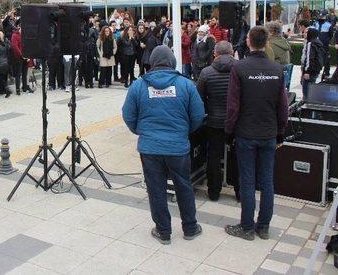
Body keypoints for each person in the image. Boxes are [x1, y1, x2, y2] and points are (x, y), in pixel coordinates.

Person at [123, 45, 205, 245]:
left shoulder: (138, 85)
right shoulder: (186, 85)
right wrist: (182, 132)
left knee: (156, 188)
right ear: (172, 61)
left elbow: (128, 116)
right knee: (183, 186)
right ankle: (190, 227)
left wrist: (142, 132)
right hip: (178, 147)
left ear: (152, 62)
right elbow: (198, 116)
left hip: (150, 147)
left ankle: (163, 231)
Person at [224, 26, 288, 241]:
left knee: (248, 180)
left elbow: (233, 106)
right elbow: (283, 107)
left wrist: (229, 130)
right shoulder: (277, 69)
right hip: (268, 133)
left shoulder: (240, 68)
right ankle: (263, 227)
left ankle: (247, 227)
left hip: (246, 133)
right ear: (267, 42)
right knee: (267, 182)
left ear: (249, 41)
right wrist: (280, 131)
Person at [196, 41, 235, 201]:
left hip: (214, 121)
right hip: (235, 121)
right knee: (237, 155)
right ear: (232, 53)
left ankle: (213, 192)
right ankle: (239, 191)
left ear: (215, 54)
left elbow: (198, 98)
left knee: (214, 155)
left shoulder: (206, 72)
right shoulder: (239, 69)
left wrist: (208, 110)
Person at [301, 27, 324, 100]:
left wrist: (307, 71)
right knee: (311, 89)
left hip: (310, 70)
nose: (304, 34)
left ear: (310, 34)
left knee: (306, 91)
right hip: (316, 69)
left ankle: (306, 106)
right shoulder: (318, 42)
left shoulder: (310, 43)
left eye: (306, 32)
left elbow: (309, 58)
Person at [10, 23, 32, 95]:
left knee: (24, 74)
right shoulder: (14, 35)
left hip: (25, 57)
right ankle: (17, 89)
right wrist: (22, 55)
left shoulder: (25, 35)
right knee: (18, 74)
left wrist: (28, 55)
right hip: (18, 58)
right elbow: (14, 46)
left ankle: (25, 87)